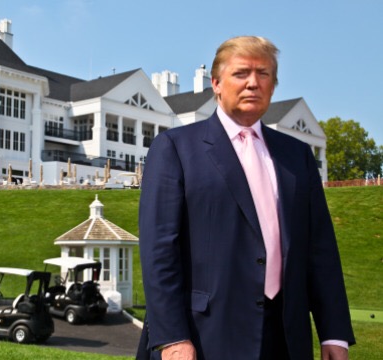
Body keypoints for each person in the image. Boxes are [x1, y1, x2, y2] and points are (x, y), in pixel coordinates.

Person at [138, 36, 355, 360]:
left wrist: (334, 331)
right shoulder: (175, 148)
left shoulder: (297, 156)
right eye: (241, 73)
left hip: (285, 338)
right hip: (203, 337)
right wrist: (172, 338)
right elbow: (159, 252)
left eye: (263, 74)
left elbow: (320, 249)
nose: (253, 82)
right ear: (216, 83)